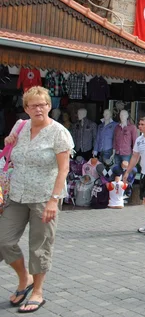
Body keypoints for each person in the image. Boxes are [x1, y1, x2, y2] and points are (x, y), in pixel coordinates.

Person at [0, 86, 74, 313]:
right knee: (4, 240)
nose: (38, 109)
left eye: (42, 104)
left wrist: (54, 200)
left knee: (39, 246)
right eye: (33, 105)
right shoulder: (20, 126)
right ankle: (25, 278)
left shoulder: (59, 132)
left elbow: (63, 170)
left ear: (49, 106)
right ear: (26, 108)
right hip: (17, 194)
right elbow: (9, 155)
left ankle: (38, 292)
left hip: (44, 197)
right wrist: (8, 141)